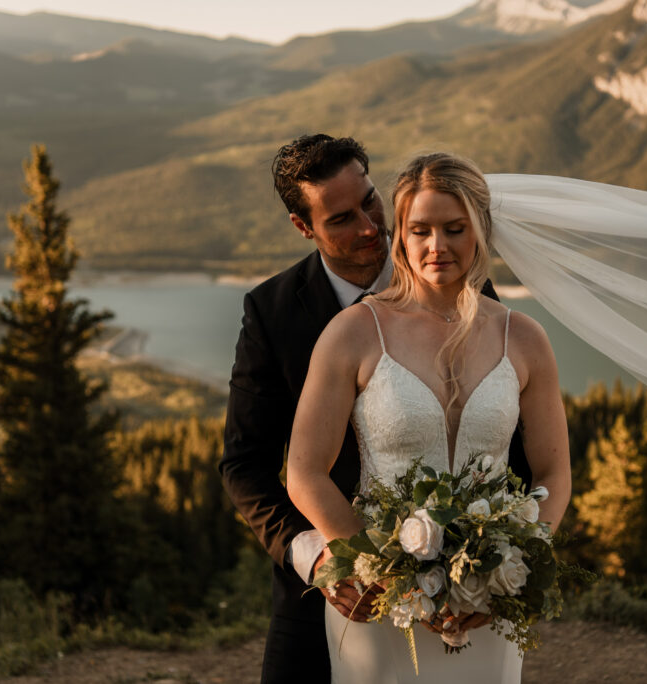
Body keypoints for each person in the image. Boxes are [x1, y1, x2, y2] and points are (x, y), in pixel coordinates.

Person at [219, 136, 529, 683]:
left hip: (465, 586)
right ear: (303, 226)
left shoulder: (464, 285)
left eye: (370, 202)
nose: (368, 227)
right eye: (340, 218)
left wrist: (500, 563)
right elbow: (245, 465)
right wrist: (317, 555)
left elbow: (508, 437)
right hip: (329, 592)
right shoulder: (272, 312)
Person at [286, 152, 571, 683]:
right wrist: (386, 571)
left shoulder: (526, 339)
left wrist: (514, 570)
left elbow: (554, 476)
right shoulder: (353, 332)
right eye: (420, 230)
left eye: (454, 228)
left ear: (480, 231)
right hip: (379, 604)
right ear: (401, 235)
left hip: (487, 604)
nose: (436, 246)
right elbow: (303, 473)